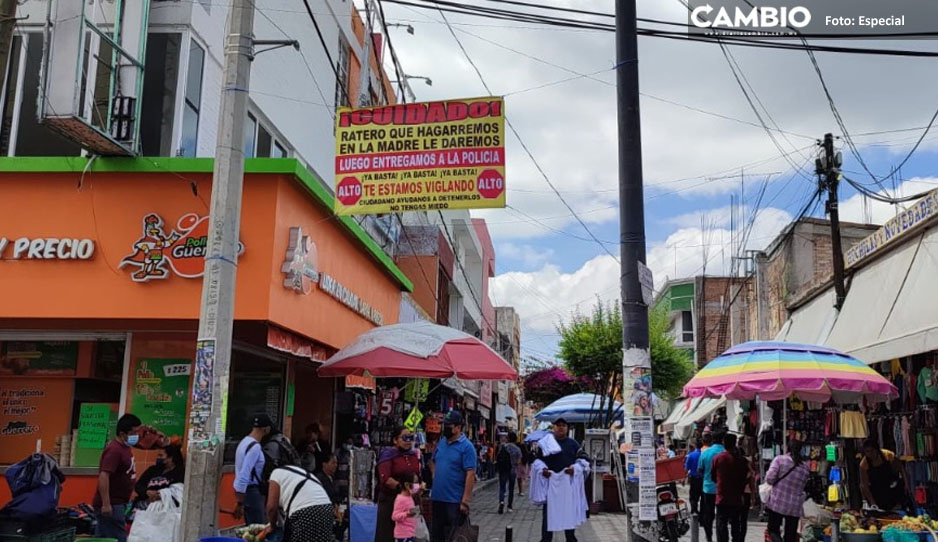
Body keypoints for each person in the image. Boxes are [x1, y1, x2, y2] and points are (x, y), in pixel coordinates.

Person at [93, 413, 142, 542]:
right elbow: (104, 475)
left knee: (106, 537)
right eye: (134, 432)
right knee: (117, 538)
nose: (136, 436)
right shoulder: (114, 450)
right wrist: (106, 503)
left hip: (120, 503)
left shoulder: (125, 447)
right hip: (112, 505)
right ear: (122, 434)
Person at [429, 411, 476, 542]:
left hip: (454, 500)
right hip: (438, 498)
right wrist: (435, 475)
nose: (445, 428)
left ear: (458, 427)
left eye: (448, 426)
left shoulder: (467, 447)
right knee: (437, 536)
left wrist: (465, 501)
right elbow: (432, 461)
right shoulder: (442, 443)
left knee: (453, 537)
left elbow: (470, 474)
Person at [540, 418, 586, 542]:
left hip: (568, 485)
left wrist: (575, 468)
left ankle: (571, 539)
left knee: (568, 515)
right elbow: (538, 461)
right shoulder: (546, 442)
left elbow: (583, 460)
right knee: (547, 517)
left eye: (563, 425)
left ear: (567, 428)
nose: (561, 427)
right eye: (558, 425)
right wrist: (543, 470)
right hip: (551, 484)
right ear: (553, 427)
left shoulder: (573, 444)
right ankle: (545, 540)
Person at [264, 464, 333, 542]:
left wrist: (272, 526)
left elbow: (271, 507)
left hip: (306, 512)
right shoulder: (297, 474)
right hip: (326, 509)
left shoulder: (275, 474)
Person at [376, 426, 422, 542]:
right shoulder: (388, 455)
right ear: (395, 440)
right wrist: (403, 488)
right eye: (404, 438)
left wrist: (418, 487)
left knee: (409, 532)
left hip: (410, 500)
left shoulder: (413, 455)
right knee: (387, 535)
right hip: (391, 500)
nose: (408, 441)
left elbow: (417, 475)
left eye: (410, 438)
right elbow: (385, 478)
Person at [764, 440, 810, 542]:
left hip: (777, 502)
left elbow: (769, 478)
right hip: (795, 506)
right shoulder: (805, 468)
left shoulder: (780, 460)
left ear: (787, 448)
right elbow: (803, 486)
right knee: (791, 534)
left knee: (773, 530)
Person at [234, 414, 273, 525]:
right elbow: (244, 474)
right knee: (258, 528)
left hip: (245, 492)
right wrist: (239, 502)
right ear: (266, 429)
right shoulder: (255, 447)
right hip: (251, 491)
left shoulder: (244, 442)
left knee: (251, 527)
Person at [711, 434, 749, 542]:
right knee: (736, 523)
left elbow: (713, 476)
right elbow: (744, 477)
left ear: (724, 443)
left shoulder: (718, 458)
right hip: (736, 497)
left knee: (721, 523)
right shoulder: (740, 460)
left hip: (722, 496)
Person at [859, 438, 908, 511]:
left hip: (892, 487)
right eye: (867, 452)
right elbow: (864, 485)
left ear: (877, 449)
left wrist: (906, 484)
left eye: (872, 451)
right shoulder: (864, 464)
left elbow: (901, 468)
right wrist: (873, 503)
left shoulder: (888, 455)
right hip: (877, 492)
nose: (870, 454)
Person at [133, 444, 185, 510]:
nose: (158, 458)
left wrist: (161, 495)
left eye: (161, 455)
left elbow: (178, 490)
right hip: (144, 506)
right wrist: (147, 492)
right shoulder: (153, 469)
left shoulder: (180, 472)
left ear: (171, 458)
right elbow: (138, 486)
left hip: (165, 508)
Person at [697, 431, 725, 542]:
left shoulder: (705, 453)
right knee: (721, 515)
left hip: (708, 488)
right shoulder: (726, 452)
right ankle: (721, 537)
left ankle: (708, 536)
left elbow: (700, 470)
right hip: (723, 489)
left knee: (708, 513)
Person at [317, 452, 347, 542]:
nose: (335, 465)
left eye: (336, 463)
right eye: (333, 463)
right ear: (324, 464)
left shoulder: (330, 478)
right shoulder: (320, 479)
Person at [496, 432, 522, 514]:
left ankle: (501, 501)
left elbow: (498, 457)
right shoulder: (517, 449)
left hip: (503, 469)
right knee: (511, 489)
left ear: (508, 438)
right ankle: (509, 506)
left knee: (502, 487)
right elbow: (519, 462)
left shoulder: (503, 447)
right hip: (512, 470)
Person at [391, 473, 422, 542]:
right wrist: (407, 514)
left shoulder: (410, 497)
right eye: (415, 482)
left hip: (411, 533)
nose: (417, 485)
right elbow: (394, 516)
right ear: (407, 485)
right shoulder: (400, 499)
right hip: (403, 535)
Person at [684, 441, 703, 515]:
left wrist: (684, 478)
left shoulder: (691, 455)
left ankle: (694, 510)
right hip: (702, 479)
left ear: (695, 446)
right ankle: (702, 513)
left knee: (693, 496)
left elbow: (686, 469)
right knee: (702, 496)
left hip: (694, 479)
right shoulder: (704, 455)